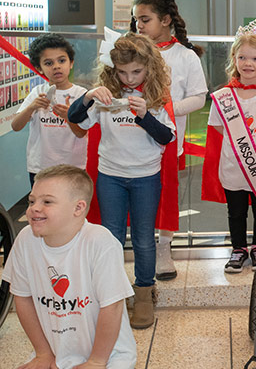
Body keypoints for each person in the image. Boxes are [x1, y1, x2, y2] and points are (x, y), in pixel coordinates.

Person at [67, 33, 175, 328]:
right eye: (122, 72)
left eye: (136, 72)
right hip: (110, 176)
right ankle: (111, 295)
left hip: (145, 177)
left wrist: (145, 116)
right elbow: (75, 118)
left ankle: (143, 294)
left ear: (149, 68)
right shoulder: (105, 96)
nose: (129, 78)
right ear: (113, 69)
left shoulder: (157, 97)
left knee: (142, 238)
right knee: (111, 236)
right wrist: (89, 95)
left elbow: (166, 137)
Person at [1, 165, 137, 369]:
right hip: (55, 352)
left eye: (47, 201)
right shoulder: (25, 240)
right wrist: (43, 353)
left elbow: (112, 306)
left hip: (108, 355)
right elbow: (23, 297)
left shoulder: (100, 242)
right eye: (32, 201)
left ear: (78, 208)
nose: (34, 208)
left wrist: (96, 361)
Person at [131, 0, 208, 281]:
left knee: (165, 197)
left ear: (165, 20)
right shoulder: (130, 51)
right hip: (130, 141)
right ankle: (142, 246)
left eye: (145, 19)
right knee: (138, 197)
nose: (139, 25)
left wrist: (164, 112)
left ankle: (164, 247)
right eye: (136, 19)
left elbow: (199, 98)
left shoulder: (185, 56)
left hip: (166, 140)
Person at [203, 19, 256, 273]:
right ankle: (238, 249)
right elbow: (218, 127)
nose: (248, 64)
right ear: (234, 59)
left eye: (254, 58)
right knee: (236, 212)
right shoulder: (223, 97)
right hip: (233, 166)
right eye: (242, 58)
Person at [12, 34, 88, 186]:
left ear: (71, 63)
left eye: (62, 60)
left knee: (70, 207)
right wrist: (32, 107)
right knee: (43, 206)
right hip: (40, 167)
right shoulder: (37, 92)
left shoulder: (81, 94)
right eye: (48, 63)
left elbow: (81, 133)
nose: (56, 66)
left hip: (73, 167)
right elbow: (16, 126)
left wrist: (68, 116)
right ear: (39, 68)